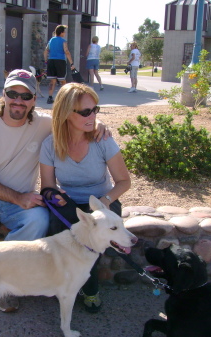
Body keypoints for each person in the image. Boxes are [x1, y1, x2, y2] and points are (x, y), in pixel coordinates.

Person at [0, 70, 109, 313]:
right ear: (3, 94)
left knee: (38, 220)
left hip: (21, 200)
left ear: (34, 99)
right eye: (13, 93)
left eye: (26, 95)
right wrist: (17, 197)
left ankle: (5, 286)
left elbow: (75, 117)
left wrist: (98, 123)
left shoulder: (44, 124)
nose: (18, 100)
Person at [39, 83, 131, 313]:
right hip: (69, 203)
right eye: (85, 112)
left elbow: (124, 181)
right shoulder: (50, 144)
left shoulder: (103, 140)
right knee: (60, 233)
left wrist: (105, 201)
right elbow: (47, 186)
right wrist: (54, 195)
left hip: (104, 200)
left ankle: (89, 289)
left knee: (94, 236)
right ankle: (63, 282)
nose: (93, 116)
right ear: (66, 113)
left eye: (95, 109)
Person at [44, 25, 74, 104]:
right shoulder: (63, 41)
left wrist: (46, 60)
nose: (65, 33)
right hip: (60, 61)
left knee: (52, 81)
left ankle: (50, 97)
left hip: (51, 61)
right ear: (61, 33)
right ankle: (64, 98)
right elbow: (66, 51)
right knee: (62, 80)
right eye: (64, 32)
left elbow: (46, 51)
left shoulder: (51, 40)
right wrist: (71, 63)